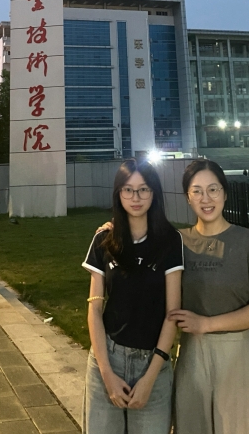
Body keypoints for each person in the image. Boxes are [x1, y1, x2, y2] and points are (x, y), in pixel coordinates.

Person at [168, 159, 249, 434]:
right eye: (197, 191)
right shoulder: (175, 243)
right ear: (188, 197)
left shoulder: (248, 240)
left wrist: (206, 324)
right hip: (193, 356)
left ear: (225, 193)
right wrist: (114, 229)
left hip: (241, 355)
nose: (206, 198)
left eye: (213, 189)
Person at [82, 158, 184, 434]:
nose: (135, 197)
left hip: (153, 362)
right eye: (128, 190)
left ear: (154, 193)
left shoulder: (170, 241)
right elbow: (94, 308)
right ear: (118, 194)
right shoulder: (104, 239)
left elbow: (172, 313)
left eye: (143, 189)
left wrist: (150, 378)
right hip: (108, 358)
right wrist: (106, 374)